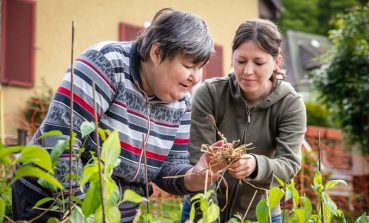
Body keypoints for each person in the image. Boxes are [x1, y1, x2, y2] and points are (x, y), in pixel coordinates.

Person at [12, 8, 225, 223]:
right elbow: (59, 139)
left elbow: (169, 167)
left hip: (113, 213)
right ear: (157, 52)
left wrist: (195, 176)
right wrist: (85, 213)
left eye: (200, 68)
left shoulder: (182, 101)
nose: (195, 78)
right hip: (50, 203)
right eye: (188, 66)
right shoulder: (105, 64)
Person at [181, 19, 307, 223]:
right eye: (241, 61)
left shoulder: (290, 105)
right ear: (232, 58)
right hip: (202, 207)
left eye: (258, 63)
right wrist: (208, 216)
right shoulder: (210, 93)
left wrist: (257, 165)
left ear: (276, 62)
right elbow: (198, 158)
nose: (248, 71)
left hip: (260, 215)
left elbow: (289, 164)